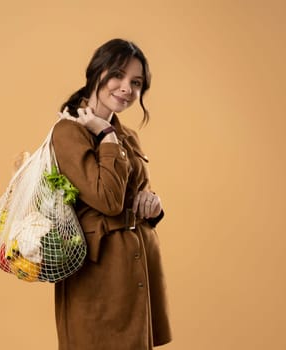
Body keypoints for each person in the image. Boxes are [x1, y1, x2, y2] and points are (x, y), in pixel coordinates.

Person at [52, 38, 172, 350]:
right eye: (118, 75)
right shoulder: (69, 132)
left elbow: (135, 193)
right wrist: (105, 135)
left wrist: (153, 206)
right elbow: (106, 200)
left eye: (136, 82)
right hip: (100, 275)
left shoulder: (126, 135)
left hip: (136, 267)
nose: (127, 89)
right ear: (96, 71)